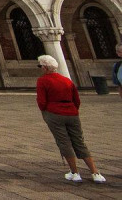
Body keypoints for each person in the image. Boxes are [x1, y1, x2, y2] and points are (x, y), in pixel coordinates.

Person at [35, 54, 105, 184]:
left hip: (54, 113)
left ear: (44, 68)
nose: (40, 69)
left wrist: (47, 111)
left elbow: (41, 101)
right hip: (72, 113)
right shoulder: (67, 80)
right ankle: (95, 172)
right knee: (79, 141)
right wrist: (72, 110)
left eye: (40, 66)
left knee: (64, 142)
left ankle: (75, 172)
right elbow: (76, 100)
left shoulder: (43, 81)